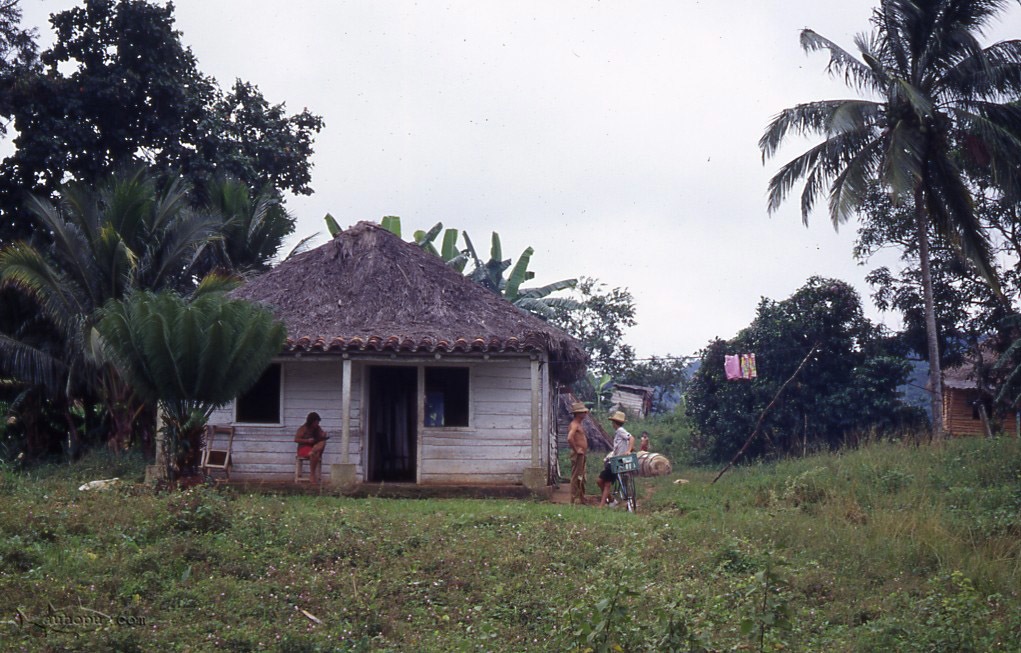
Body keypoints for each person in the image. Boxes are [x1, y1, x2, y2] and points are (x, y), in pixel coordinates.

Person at [597, 411, 634, 507]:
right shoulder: (618, 432)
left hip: (617, 461)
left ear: (614, 422)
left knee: (603, 482)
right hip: (615, 460)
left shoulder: (620, 431)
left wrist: (628, 450)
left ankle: (603, 505)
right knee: (603, 482)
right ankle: (610, 500)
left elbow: (631, 438)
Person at [294, 411, 329, 484]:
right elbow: (296, 439)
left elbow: (321, 438)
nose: (317, 424)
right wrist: (307, 441)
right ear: (311, 422)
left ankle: (313, 450)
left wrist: (323, 435)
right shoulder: (303, 428)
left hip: (314, 448)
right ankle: (312, 475)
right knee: (315, 454)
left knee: (322, 442)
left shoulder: (318, 428)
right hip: (304, 448)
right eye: (316, 422)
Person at [566, 401, 589, 505]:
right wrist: (576, 450)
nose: (585, 414)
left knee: (582, 475)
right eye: (583, 412)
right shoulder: (574, 425)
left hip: (582, 453)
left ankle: (581, 497)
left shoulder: (578, 424)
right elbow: (570, 438)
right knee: (576, 476)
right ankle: (573, 499)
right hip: (578, 454)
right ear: (578, 413)